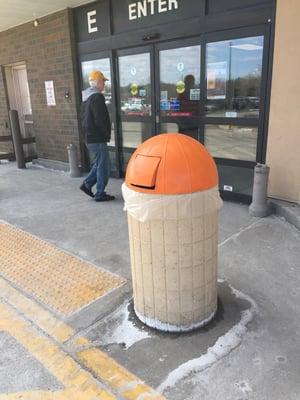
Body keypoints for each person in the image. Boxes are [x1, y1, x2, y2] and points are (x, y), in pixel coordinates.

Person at [80, 70, 115, 202]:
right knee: (103, 166)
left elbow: (83, 118)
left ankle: (87, 184)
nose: (104, 84)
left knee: (100, 163)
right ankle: (100, 193)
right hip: (97, 137)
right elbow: (100, 119)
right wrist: (106, 133)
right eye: (103, 81)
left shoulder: (86, 97)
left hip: (89, 137)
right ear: (97, 82)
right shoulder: (97, 97)